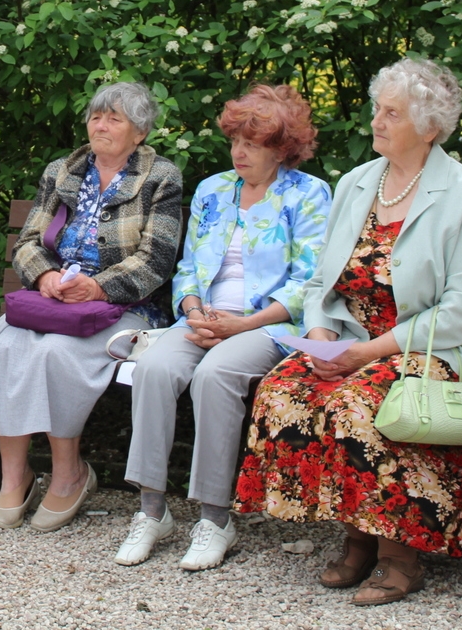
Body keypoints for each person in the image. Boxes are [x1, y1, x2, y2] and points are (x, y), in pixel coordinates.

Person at [233, 58, 462, 606]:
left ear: (429, 127)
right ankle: (356, 534)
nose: (376, 122)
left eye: (392, 114)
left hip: (430, 345)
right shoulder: (359, 182)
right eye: (377, 109)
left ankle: (400, 554)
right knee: (285, 389)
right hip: (350, 336)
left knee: (361, 403)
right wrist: (320, 333)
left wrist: (366, 354)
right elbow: (318, 281)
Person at [118, 85, 331, 569]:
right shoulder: (214, 190)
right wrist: (193, 309)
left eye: (253, 144)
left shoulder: (309, 194)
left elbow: (310, 282)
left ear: (282, 149)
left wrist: (245, 324)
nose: (239, 152)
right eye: (236, 140)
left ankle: (215, 519)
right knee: (152, 368)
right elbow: (188, 265)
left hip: (268, 325)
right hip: (203, 319)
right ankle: (152, 510)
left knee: (215, 377)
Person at [0, 81, 182, 532]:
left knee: (54, 355)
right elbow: (27, 241)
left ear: (139, 132)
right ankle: (15, 473)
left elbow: (156, 259)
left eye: (114, 118)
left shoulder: (161, 177)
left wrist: (97, 287)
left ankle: (70, 475)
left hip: (123, 307)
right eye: (96, 116)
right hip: (54, 302)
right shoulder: (64, 170)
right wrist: (44, 275)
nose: (101, 126)